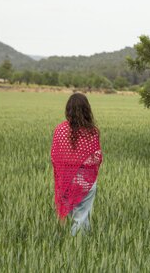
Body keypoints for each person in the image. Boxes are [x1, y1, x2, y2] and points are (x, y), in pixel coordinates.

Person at [51, 93, 103, 236]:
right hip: (85, 180)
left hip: (66, 181)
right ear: (87, 109)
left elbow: (54, 157)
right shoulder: (92, 132)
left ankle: (69, 247)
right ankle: (78, 247)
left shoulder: (60, 130)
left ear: (68, 110)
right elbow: (97, 157)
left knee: (71, 216)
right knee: (82, 217)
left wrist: (66, 170)